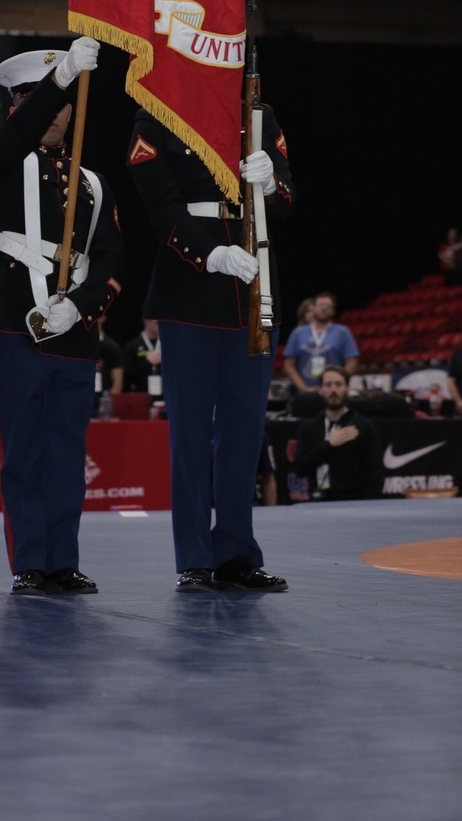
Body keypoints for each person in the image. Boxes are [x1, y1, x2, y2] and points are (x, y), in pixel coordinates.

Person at [0, 37, 125, 595]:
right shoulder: (1, 164)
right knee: (23, 449)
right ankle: (31, 562)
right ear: (18, 106)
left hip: (74, 330)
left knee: (66, 449)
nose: (58, 115)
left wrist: (80, 308)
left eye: (65, 104)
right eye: (45, 102)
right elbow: (13, 139)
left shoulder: (94, 183)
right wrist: (59, 77)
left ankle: (63, 559)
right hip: (15, 320)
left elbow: (111, 259)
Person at [129, 99, 294, 592]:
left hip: (254, 283)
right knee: (191, 429)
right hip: (191, 284)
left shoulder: (260, 114)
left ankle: (236, 551)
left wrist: (271, 184)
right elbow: (159, 202)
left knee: (244, 430)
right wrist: (209, 252)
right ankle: (195, 556)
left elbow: (288, 204)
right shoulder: (157, 109)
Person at [292, 365, 383, 499]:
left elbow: (375, 473)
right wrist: (329, 445)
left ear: (347, 388)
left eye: (338, 384)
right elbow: (299, 469)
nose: (333, 390)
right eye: (328, 385)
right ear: (320, 390)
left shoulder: (363, 426)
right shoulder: (309, 427)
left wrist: (368, 507)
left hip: (355, 503)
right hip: (317, 502)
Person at [283, 293, 359, 393]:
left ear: (333, 310)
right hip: (305, 393)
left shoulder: (342, 332)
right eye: (321, 305)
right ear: (313, 307)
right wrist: (304, 389)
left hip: (333, 392)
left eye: (328, 306)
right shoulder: (298, 333)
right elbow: (289, 365)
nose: (324, 308)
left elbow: (352, 362)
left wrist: (337, 384)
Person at [122, 317, 162, 394]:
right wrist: (147, 362)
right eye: (156, 323)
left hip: (164, 397)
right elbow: (127, 376)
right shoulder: (132, 346)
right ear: (146, 321)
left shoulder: (167, 345)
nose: (160, 326)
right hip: (141, 396)